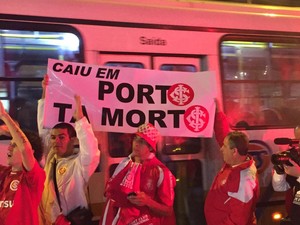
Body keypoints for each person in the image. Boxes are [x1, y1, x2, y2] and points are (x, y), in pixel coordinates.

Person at [38, 75, 100, 225]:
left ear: (73, 140)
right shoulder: (50, 158)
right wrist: (45, 92)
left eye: (61, 137)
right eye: (53, 138)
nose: (55, 142)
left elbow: (91, 152)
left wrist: (80, 120)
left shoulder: (79, 165)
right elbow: (43, 127)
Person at [100, 123, 176, 225]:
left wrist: (147, 201)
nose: (136, 144)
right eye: (135, 139)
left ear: (150, 147)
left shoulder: (161, 171)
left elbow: (168, 211)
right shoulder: (125, 163)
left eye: (142, 142)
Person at [0, 100, 45, 225]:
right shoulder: (5, 173)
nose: (9, 147)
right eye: (10, 144)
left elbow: (25, 148)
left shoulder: (34, 177)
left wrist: (4, 116)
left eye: (14, 145)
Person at [204, 131, 259, 225]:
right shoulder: (234, 166)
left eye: (224, 146)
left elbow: (238, 219)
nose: (221, 149)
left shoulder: (243, 181)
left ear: (234, 151)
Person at [272, 126, 300, 225]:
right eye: (296, 140)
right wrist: (279, 171)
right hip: (294, 216)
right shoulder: (294, 157)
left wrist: (299, 174)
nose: (298, 145)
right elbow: (280, 187)